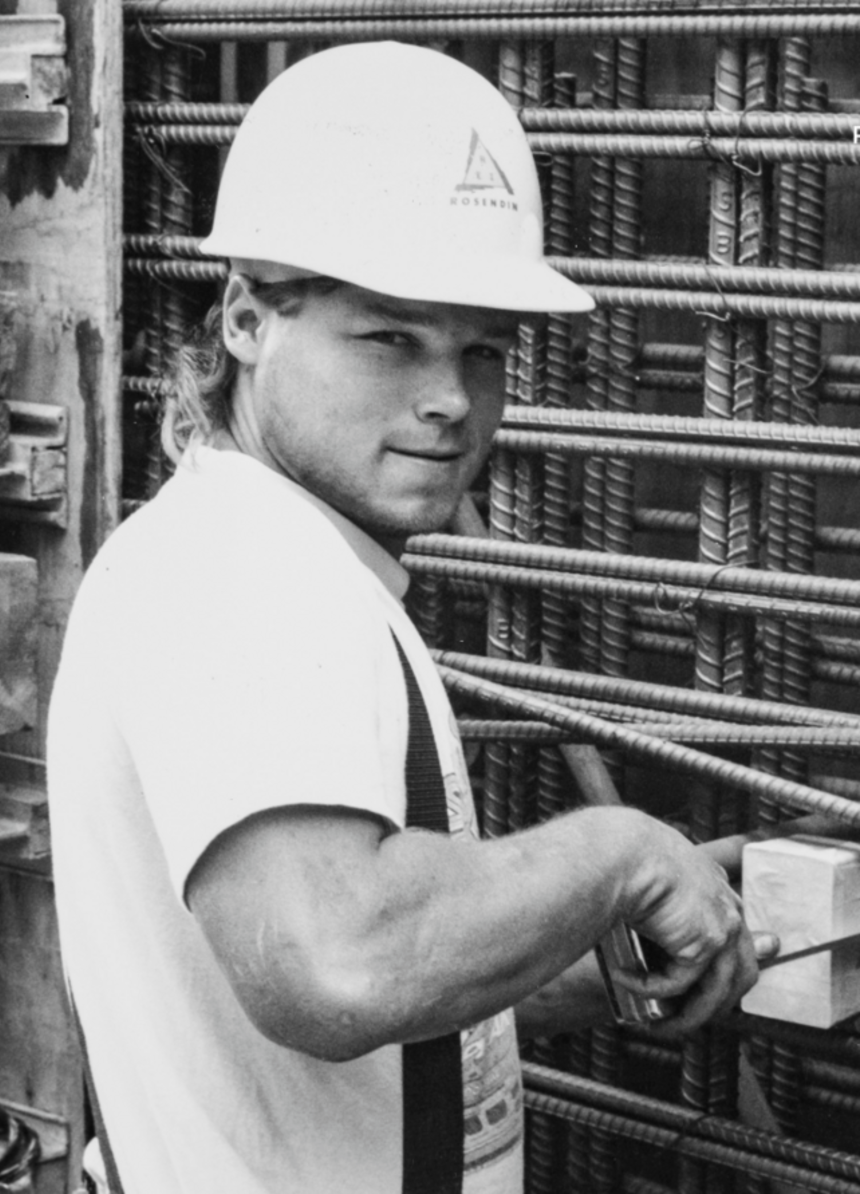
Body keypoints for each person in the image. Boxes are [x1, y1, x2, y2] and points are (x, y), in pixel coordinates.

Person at [48, 41, 770, 1194]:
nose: (449, 399)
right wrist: (618, 856)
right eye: (389, 338)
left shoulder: (287, 562)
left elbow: (333, 990)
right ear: (245, 319)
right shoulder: (242, 570)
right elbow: (335, 964)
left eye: (482, 352)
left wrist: (593, 952)